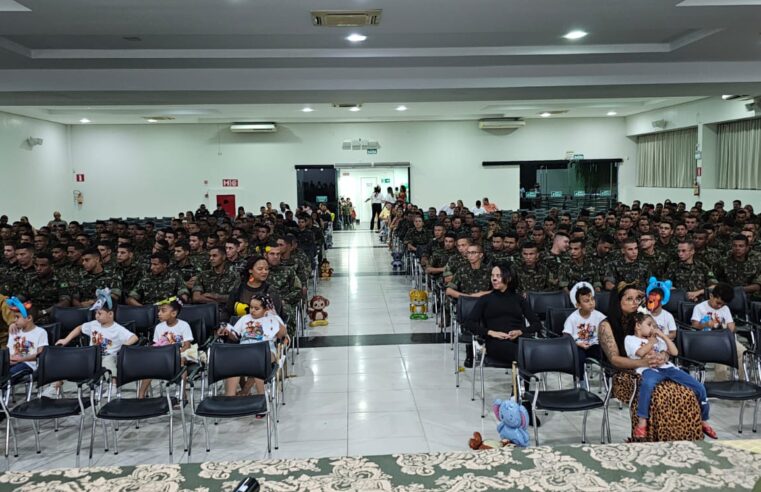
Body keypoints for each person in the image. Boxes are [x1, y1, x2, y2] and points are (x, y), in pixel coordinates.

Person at [598, 283, 704, 441]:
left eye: (637, 298)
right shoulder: (606, 325)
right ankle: (651, 441)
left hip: (655, 367)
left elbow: (660, 344)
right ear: (617, 301)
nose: (635, 302)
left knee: (684, 391)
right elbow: (614, 360)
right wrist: (645, 363)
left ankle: (684, 440)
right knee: (659, 395)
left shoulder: (644, 319)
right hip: (624, 373)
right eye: (629, 299)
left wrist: (662, 356)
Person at [624, 311, 717, 439]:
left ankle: (704, 419)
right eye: (650, 325)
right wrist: (651, 342)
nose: (653, 328)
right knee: (647, 384)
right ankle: (642, 421)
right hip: (648, 369)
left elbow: (674, 351)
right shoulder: (630, 339)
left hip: (667, 367)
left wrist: (663, 337)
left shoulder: (657, 339)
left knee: (699, 387)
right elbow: (640, 353)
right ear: (637, 326)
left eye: (654, 326)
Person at [470, 264, 542, 422]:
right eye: (492, 275)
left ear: (508, 278)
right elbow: (469, 323)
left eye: (498, 275)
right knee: (524, 356)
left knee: (526, 353)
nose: (494, 278)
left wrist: (520, 331)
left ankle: (519, 399)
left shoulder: (519, 299)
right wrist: (490, 332)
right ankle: (523, 403)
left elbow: (537, 324)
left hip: (518, 339)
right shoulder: (485, 300)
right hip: (496, 342)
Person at [56, 291, 138, 384]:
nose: (96, 316)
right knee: (68, 360)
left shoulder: (117, 329)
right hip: (91, 356)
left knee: (108, 362)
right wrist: (66, 339)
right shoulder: (93, 325)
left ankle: (112, 386)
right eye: (96, 313)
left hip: (109, 356)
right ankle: (56, 385)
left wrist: (124, 345)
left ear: (110, 314)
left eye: (100, 313)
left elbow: (134, 337)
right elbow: (79, 328)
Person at [217, 294, 286, 397]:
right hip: (245, 350)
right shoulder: (245, 318)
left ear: (265, 309)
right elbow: (235, 337)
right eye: (251, 307)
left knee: (258, 360)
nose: (252, 310)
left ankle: (257, 395)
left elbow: (282, 335)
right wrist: (228, 331)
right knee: (232, 363)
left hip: (266, 351)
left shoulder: (273, 318)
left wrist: (273, 316)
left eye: (256, 308)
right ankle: (230, 397)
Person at [138, 299, 193, 399]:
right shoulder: (159, 327)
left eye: (163, 311)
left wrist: (175, 353)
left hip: (181, 353)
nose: (159, 313)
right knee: (149, 366)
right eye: (159, 311)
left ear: (174, 313)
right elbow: (156, 344)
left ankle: (182, 395)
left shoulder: (184, 325)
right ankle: (141, 394)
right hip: (163, 354)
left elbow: (187, 345)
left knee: (181, 363)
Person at [690, 282, 746, 381]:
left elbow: (731, 326)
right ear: (711, 296)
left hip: (723, 339)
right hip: (705, 339)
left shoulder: (725, 308)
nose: (720, 306)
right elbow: (694, 325)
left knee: (743, 352)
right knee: (722, 351)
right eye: (718, 303)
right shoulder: (699, 308)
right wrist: (706, 325)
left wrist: (732, 327)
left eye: (723, 304)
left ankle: (742, 380)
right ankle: (721, 381)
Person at [562, 283, 605, 380]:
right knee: (579, 357)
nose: (591, 303)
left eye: (592, 299)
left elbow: (607, 329)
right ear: (578, 305)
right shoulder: (572, 318)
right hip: (579, 346)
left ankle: (608, 377)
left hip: (595, 345)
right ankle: (580, 381)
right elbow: (566, 336)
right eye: (586, 301)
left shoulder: (599, 316)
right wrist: (577, 344)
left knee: (606, 353)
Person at [6, 298, 48, 380]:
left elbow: (41, 354)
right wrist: (9, 359)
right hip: (11, 362)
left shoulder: (40, 332)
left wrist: (21, 359)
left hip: (28, 364)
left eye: (17, 317)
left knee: (9, 375)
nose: (14, 320)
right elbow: (8, 351)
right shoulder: (14, 331)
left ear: (29, 318)